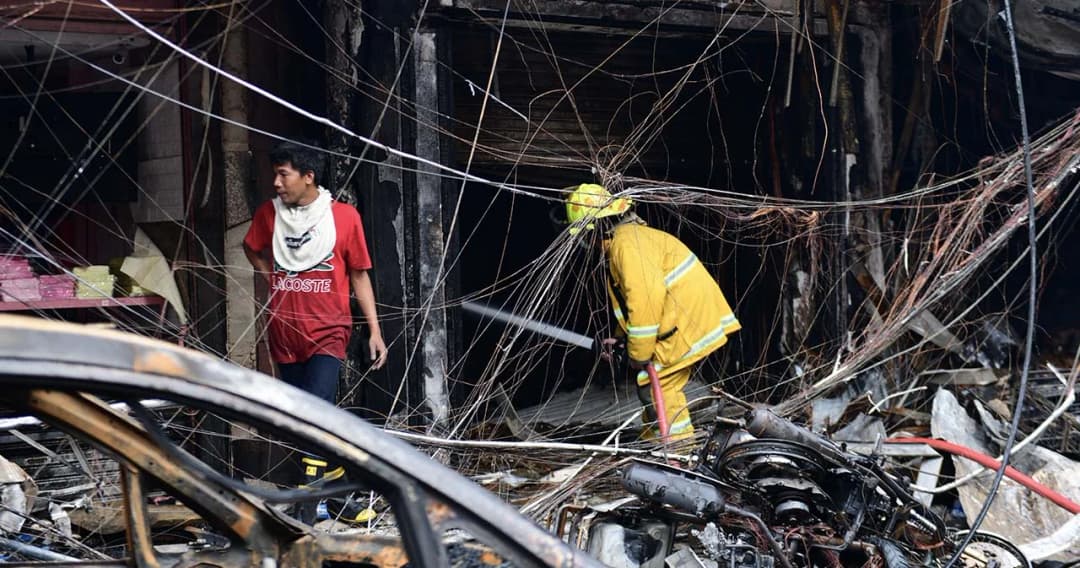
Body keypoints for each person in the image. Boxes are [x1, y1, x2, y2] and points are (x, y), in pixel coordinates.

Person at [565, 183, 740, 442]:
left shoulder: (626, 246)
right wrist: (621, 339)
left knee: (660, 387)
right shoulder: (629, 240)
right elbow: (632, 306)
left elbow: (645, 301)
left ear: (593, 229)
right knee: (652, 387)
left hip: (684, 324)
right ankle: (654, 442)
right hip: (685, 319)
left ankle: (678, 451)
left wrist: (638, 353)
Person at [243, 141, 388, 401]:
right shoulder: (268, 214)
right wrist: (271, 275)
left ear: (308, 177)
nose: (276, 183)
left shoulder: (345, 217)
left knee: (317, 407)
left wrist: (375, 331)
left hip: (328, 333)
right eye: (275, 174)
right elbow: (250, 247)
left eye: (284, 174)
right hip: (284, 334)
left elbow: (359, 275)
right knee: (297, 413)